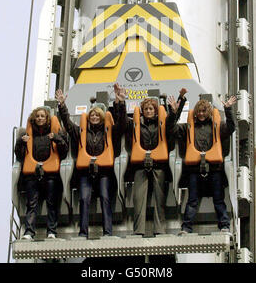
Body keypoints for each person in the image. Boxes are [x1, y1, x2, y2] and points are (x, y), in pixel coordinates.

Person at [113, 83, 187, 237]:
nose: (148, 111)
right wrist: (120, 102)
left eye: (151, 109)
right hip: (140, 167)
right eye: (146, 109)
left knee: (159, 200)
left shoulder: (162, 123)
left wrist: (178, 104)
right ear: (142, 111)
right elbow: (121, 122)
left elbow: (172, 122)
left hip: (158, 166)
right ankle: (138, 231)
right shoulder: (135, 124)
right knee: (138, 200)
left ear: (155, 110)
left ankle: (159, 230)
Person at [55, 89, 123, 238]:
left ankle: (108, 232)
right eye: (92, 115)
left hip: (104, 172)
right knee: (84, 199)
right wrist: (61, 105)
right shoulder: (81, 132)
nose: (94, 117)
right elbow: (67, 123)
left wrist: (119, 103)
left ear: (102, 117)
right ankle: (83, 232)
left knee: (105, 197)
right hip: (86, 172)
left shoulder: (108, 131)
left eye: (97, 115)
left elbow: (121, 123)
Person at [167, 94, 236, 234]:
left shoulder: (217, 126)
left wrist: (228, 110)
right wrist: (174, 112)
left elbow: (230, 128)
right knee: (192, 200)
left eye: (204, 111)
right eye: (199, 111)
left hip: (214, 169)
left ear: (208, 112)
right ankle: (186, 228)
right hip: (194, 170)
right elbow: (171, 129)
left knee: (218, 199)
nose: (201, 114)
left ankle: (224, 226)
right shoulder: (188, 128)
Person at [15, 107, 68, 240]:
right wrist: (21, 142)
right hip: (32, 175)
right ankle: (29, 232)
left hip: (50, 175)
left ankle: (51, 231)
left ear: (47, 118)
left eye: (42, 116)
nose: (40, 118)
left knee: (51, 203)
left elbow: (64, 151)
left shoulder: (54, 132)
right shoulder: (28, 135)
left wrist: (56, 138)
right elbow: (20, 155)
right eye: (37, 116)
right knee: (32, 204)